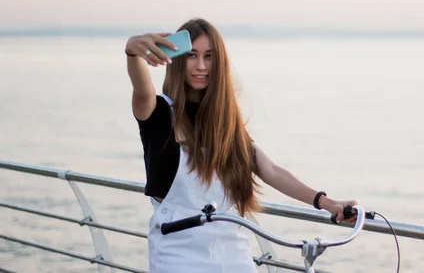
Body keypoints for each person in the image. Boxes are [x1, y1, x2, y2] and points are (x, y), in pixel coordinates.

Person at [125, 18, 357, 273]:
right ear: (178, 58)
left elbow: (271, 170)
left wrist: (327, 203)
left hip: (231, 252)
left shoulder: (223, 122)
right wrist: (132, 52)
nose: (201, 66)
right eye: (192, 55)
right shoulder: (158, 113)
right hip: (177, 252)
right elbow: (143, 90)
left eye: (209, 56)